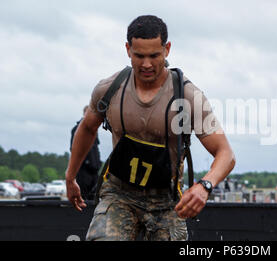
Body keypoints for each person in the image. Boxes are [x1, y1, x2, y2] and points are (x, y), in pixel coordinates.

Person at [65, 15, 235, 241]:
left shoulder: (187, 98)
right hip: (119, 193)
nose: (146, 64)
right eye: (139, 56)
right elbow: (87, 128)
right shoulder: (109, 90)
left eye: (154, 56)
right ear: (128, 50)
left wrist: (205, 186)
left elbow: (226, 154)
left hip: (167, 200)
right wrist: (70, 176)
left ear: (167, 49)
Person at [70, 106, 101, 200]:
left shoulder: (94, 130)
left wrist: (97, 164)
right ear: (85, 114)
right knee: (83, 198)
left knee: (95, 198)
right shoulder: (77, 129)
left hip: (94, 172)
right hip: (83, 171)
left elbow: (96, 150)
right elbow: (74, 149)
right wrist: (86, 162)